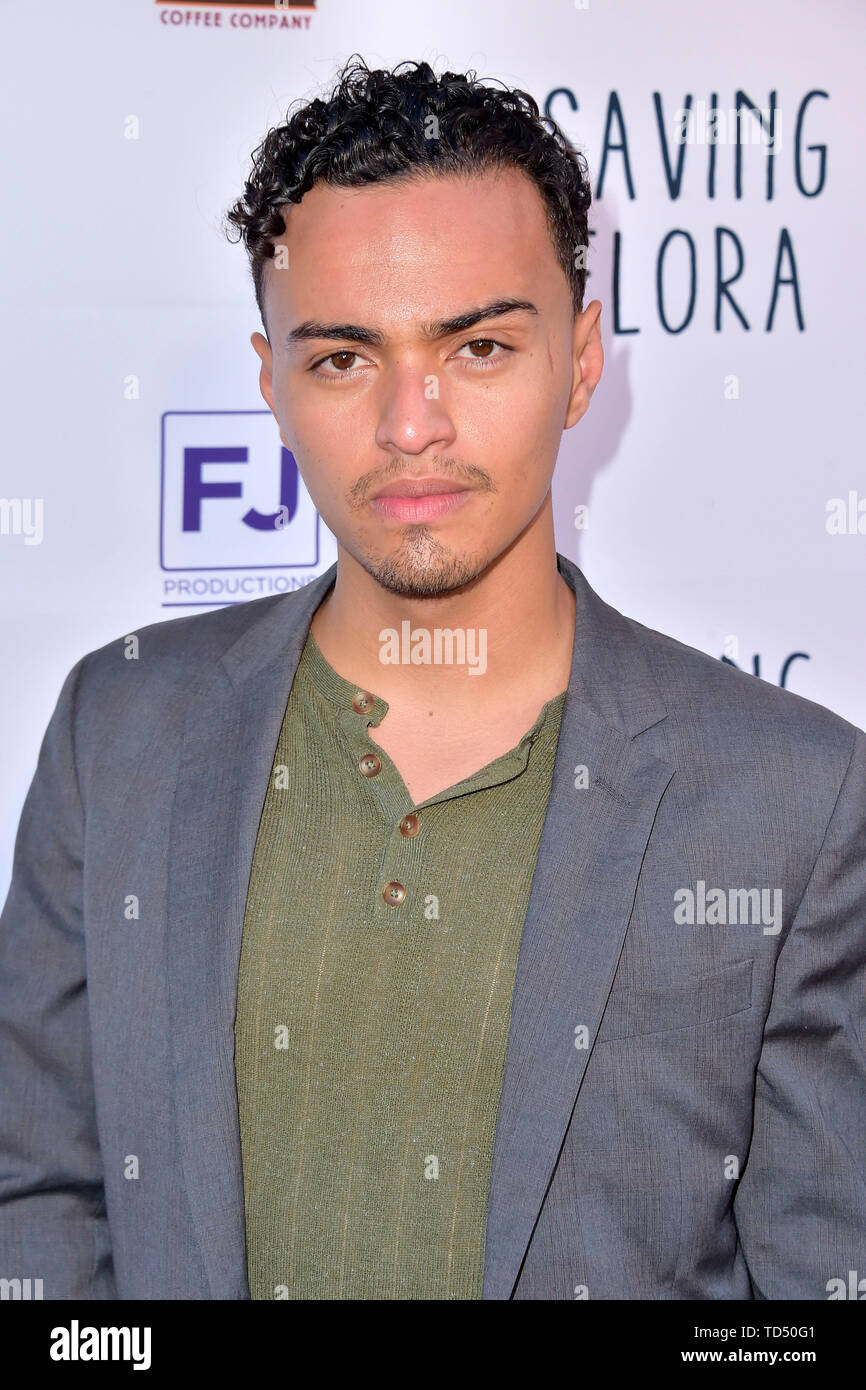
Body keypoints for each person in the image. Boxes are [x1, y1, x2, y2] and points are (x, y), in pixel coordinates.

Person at [1, 55, 863, 1301]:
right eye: (345, 357)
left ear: (577, 363)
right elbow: (37, 1189)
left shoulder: (793, 799)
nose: (412, 423)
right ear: (273, 386)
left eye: (476, 346)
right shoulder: (118, 727)